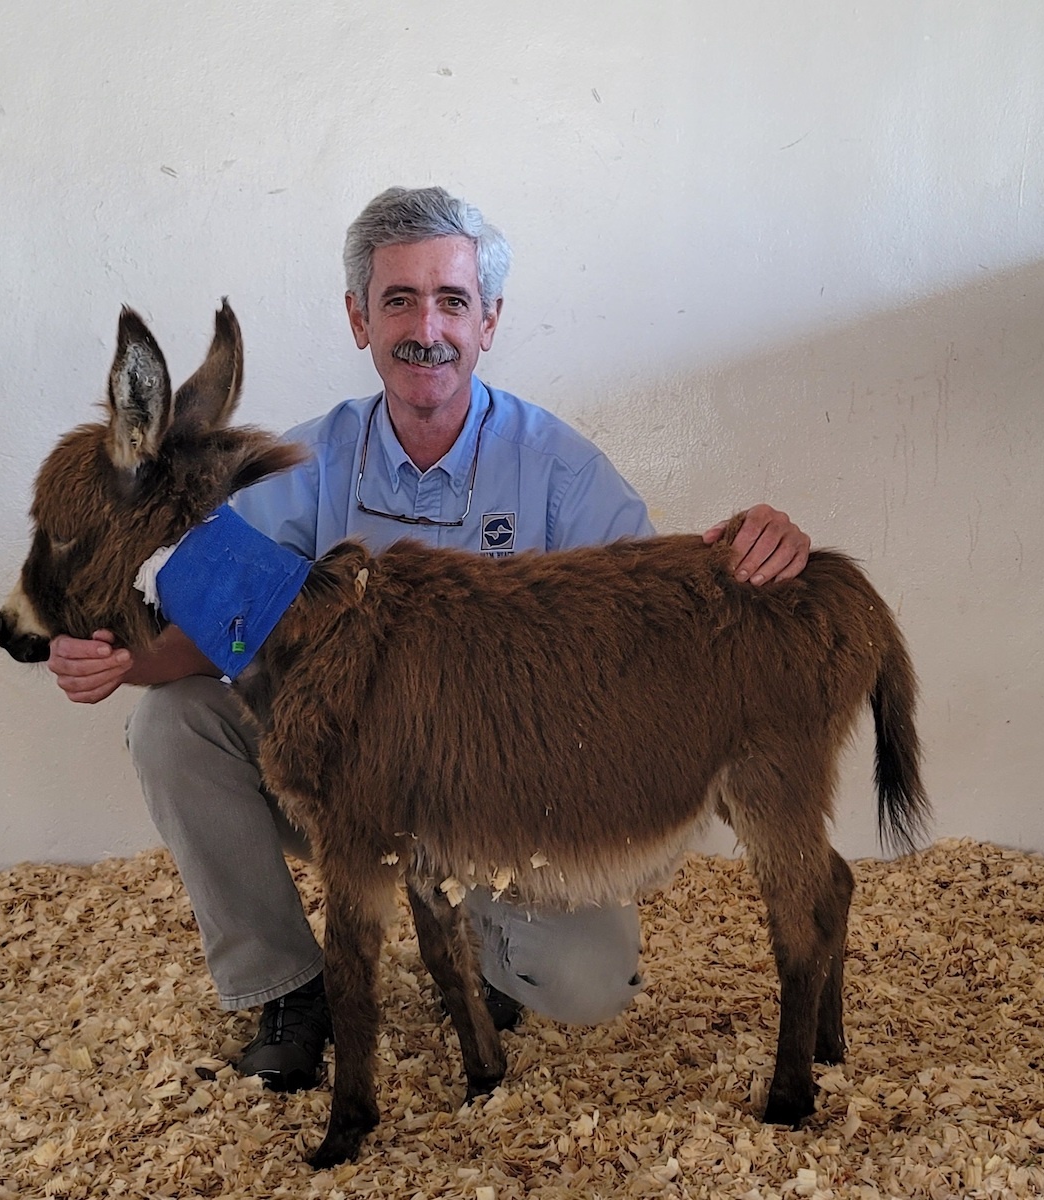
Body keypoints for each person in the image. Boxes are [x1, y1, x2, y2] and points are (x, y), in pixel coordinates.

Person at [46, 186, 813, 1092]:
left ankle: (486, 945)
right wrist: (130, 659)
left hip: (514, 807)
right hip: (356, 781)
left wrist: (751, 548)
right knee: (172, 721)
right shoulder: (310, 462)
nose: (426, 327)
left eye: (452, 301)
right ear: (357, 319)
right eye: (398, 300)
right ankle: (290, 987)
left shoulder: (559, 471)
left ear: (489, 321)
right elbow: (220, 627)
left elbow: (654, 616)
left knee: (587, 985)